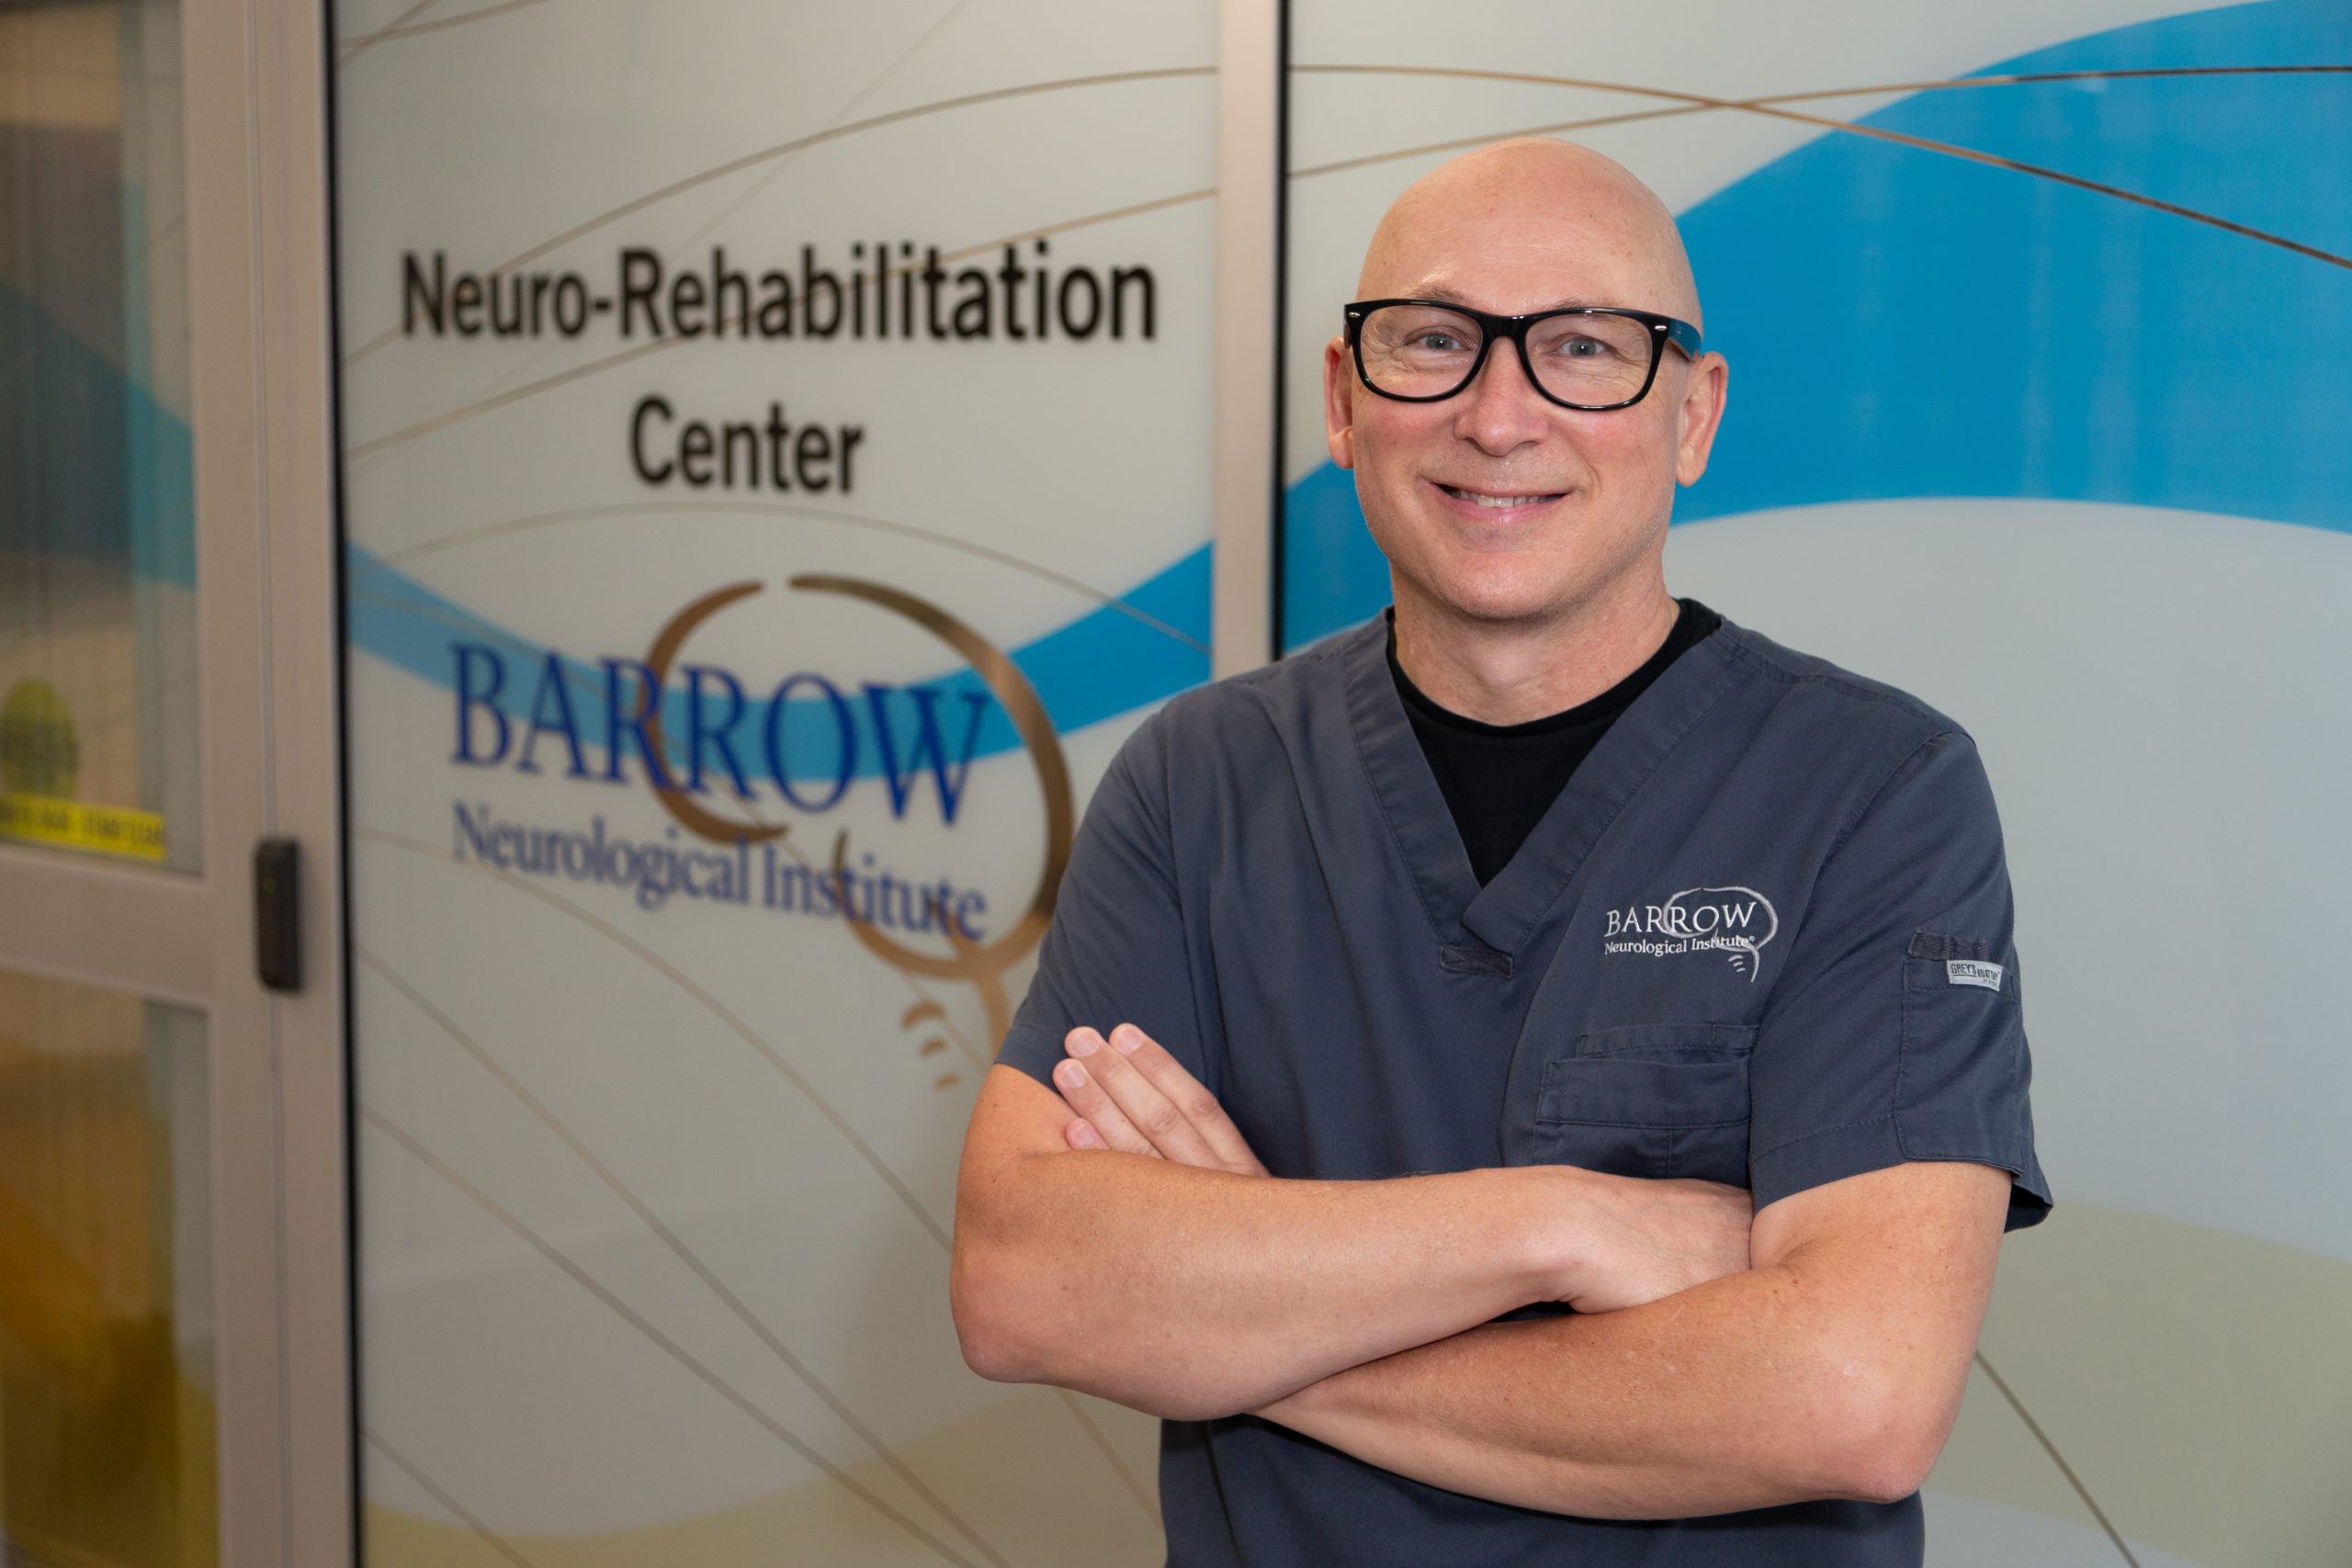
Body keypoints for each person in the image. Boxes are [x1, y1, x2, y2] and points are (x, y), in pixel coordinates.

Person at [948, 135, 2052, 1566]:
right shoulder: (1202, 780)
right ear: (1346, 403)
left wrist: (1241, 1318)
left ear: (1694, 415)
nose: (1498, 413)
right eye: (1433, 341)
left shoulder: (1874, 792)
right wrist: (1562, 1227)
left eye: (1585, 348)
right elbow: (1025, 1286)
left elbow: (1852, 1396)